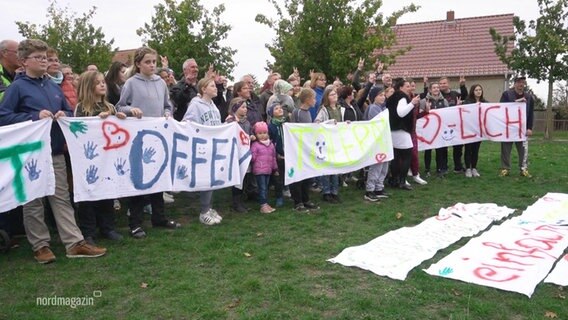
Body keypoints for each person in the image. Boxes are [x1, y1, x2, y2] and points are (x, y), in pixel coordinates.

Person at [0, 39, 107, 263]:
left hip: (55, 149)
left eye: (45, 57)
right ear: (23, 61)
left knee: (61, 198)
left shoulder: (52, 85)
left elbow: (68, 109)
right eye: (38, 57)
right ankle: (40, 245)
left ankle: (74, 243)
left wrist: (64, 115)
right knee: (33, 200)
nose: (43, 61)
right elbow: (4, 117)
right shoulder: (16, 88)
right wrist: (32, 117)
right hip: (29, 154)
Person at [116, 46, 181, 238]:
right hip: (138, 138)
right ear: (138, 64)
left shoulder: (161, 82)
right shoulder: (131, 83)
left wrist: (168, 112)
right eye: (148, 62)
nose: (152, 65)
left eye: (154, 62)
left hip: (158, 137)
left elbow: (167, 105)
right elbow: (120, 105)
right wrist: (131, 110)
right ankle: (135, 223)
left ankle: (158, 218)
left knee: (159, 178)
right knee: (140, 180)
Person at [74, 71, 126, 244]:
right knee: (88, 196)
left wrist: (119, 118)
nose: (103, 85)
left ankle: (107, 228)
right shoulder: (81, 108)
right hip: (89, 159)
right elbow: (79, 130)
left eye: (103, 82)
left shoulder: (110, 106)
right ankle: (88, 232)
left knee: (107, 193)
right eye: (98, 83)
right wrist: (95, 120)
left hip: (107, 159)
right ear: (89, 87)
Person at [183, 77, 224, 225]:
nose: (216, 88)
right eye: (212, 86)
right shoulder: (196, 105)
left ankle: (209, 208)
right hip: (201, 147)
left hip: (212, 146)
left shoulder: (213, 106)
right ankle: (204, 210)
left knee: (212, 178)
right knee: (206, 179)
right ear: (203, 89)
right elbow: (187, 123)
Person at [386, 78, 420, 190]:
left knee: (396, 157)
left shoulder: (392, 97)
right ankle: (402, 181)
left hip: (392, 129)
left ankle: (395, 179)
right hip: (401, 129)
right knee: (407, 156)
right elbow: (401, 113)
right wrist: (412, 104)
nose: (409, 88)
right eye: (407, 86)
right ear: (401, 87)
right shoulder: (402, 97)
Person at [289, 88, 320, 212]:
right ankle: (298, 202)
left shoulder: (308, 112)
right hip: (298, 150)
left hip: (307, 150)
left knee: (308, 176)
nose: (315, 100)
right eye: (313, 98)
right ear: (307, 99)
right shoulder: (297, 112)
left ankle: (306, 200)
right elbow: (294, 131)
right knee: (298, 177)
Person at [499, 75, 534, 177]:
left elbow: (531, 113)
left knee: (523, 150)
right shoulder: (507, 95)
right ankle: (505, 168)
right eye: (519, 82)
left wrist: (529, 128)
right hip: (509, 127)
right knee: (505, 149)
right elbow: (502, 108)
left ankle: (523, 168)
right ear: (514, 84)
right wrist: (516, 103)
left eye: (523, 83)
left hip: (522, 129)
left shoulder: (529, 97)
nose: (521, 85)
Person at [225, 98, 254, 213]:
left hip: (245, 153)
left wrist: (251, 136)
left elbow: (249, 133)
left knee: (244, 177)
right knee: (237, 179)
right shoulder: (231, 122)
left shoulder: (246, 122)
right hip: (235, 154)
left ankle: (241, 201)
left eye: (246, 107)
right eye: (242, 107)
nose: (245, 109)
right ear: (235, 108)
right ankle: (236, 203)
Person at [315, 86, 342, 203]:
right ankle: (326, 192)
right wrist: (330, 123)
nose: (334, 96)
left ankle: (334, 191)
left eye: (335, 93)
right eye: (331, 94)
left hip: (337, 141)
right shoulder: (324, 110)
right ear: (327, 97)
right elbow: (317, 122)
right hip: (327, 141)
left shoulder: (340, 109)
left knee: (335, 167)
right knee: (327, 167)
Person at [363, 87, 390, 201]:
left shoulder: (382, 108)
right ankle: (370, 189)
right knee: (377, 166)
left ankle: (379, 187)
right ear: (374, 97)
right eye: (380, 95)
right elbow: (378, 124)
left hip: (384, 140)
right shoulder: (373, 108)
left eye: (384, 95)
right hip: (377, 142)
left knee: (384, 165)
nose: (383, 97)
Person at [439, 76, 468, 173]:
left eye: (444, 83)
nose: (442, 85)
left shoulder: (454, 94)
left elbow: (465, 97)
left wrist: (462, 86)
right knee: (443, 147)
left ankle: (458, 167)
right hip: (443, 124)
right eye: (441, 84)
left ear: (449, 84)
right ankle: (443, 167)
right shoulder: (438, 95)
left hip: (455, 124)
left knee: (458, 146)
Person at [420, 82, 449, 177]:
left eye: (437, 87)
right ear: (430, 90)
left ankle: (439, 168)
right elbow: (420, 115)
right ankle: (427, 169)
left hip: (439, 129)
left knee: (439, 149)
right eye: (434, 88)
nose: (436, 89)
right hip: (428, 129)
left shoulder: (444, 101)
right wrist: (426, 111)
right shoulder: (424, 101)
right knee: (427, 150)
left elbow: (448, 114)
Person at [251, 121, 279, 213]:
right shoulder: (255, 145)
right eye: (259, 133)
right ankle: (263, 205)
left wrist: (275, 168)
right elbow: (252, 158)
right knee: (262, 188)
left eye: (264, 133)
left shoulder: (271, 145)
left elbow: (273, 157)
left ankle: (265, 203)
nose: (262, 135)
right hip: (259, 170)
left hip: (268, 170)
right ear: (256, 134)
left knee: (265, 187)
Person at [463, 84, 487, 178]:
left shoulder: (485, 103)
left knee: (476, 150)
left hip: (479, 130)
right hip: (469, 130)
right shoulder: (467, 102)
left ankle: (474, 168)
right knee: (468, 149)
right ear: (473, 91)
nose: (478, 91)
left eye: (480, 90)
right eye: (476, 90)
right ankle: (468, 168)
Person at [267, 102, 286, 206]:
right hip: (277, 155)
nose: (280, 110)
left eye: (280, 108)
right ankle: (279, 197)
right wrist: (276, 153)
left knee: (287, 174)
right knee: (278, 177)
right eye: (276, 109)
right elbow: (270, 141)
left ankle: (287, 191)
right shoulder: (271, 126)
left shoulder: (286, 124)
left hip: (288, 153)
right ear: (272, 113)